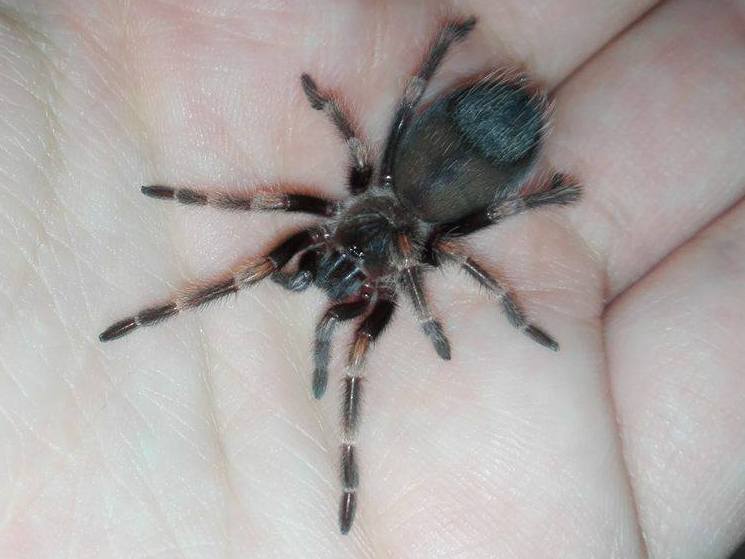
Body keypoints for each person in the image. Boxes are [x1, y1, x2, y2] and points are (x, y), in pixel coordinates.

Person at [1, 1, 743, 557]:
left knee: (358, 331)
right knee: (373, 278)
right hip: (452, 172)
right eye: (342, 274)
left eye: (342, 271)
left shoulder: (397, 238)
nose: (337, 278)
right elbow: (321, 171)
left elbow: (359, 147)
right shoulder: (365, 226)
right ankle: (169, 317)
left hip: (445, 173)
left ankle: (529, 193)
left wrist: (474, 298)